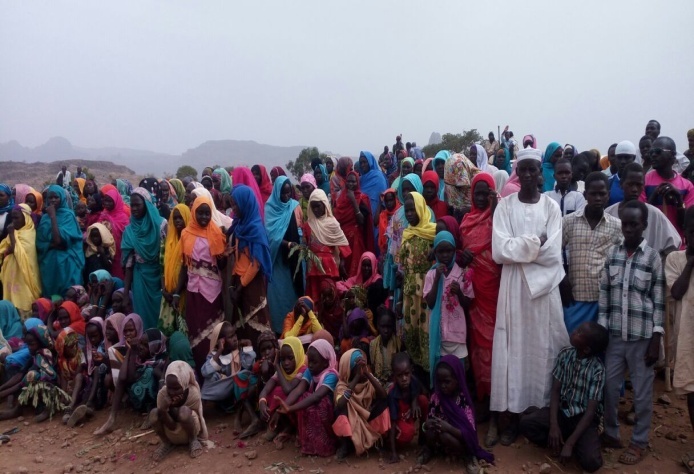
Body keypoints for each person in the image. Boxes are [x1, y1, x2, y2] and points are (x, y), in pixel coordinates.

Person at [490, 148, 569, 446]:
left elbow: (553, 252)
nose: (526, 174)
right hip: (513, 288)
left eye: (532, 169)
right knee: (514, 349)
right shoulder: (504, 207)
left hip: (544, 290)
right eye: (522, 169)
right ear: (516, 172)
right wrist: (536, 242)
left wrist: (522, 248)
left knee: (544, 348)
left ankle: (540, 415)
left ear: (540, 172)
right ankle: (512, 418)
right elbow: (500, 250)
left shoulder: (551, 208)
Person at [598, 200, 664, 465]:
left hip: (642, 338)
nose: (628, 229)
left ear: (644, 226)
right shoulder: (612, 254)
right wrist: (603, 328)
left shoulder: (652, 258)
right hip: (615, 336)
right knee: (609, 388)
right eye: (625, 224)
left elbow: (658, 300)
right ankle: (611, 433)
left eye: (634, 224)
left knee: (642, 393)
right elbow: (605, 294)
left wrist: (656, 337)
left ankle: (639, 442)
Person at [519, 322, 608, 473]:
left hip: (583, 419)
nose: (574, 332)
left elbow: (590, 412)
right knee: (526, 424)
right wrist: (554, 426)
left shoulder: (597, 370)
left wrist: (570, 444)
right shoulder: (565, 354)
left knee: (592, 462)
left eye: (579, 333)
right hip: (562, 413)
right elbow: (555, 391)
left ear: (586, 349)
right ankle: (559, 438)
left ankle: (570, 441)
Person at [561, 172, 622, 333]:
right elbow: (553, 250)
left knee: (599, 342)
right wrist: (562, 277)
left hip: (603, 298)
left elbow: (622, 259)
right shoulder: (569, 221)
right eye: (593, 194)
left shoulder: (616, 226)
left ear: (608, 195)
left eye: (602, 194)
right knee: (573, 340)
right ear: (585, 194)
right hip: (575, 296)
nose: (597, 198)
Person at [460, 173, 500, 408]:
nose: (482, 197)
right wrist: (463, 257)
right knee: (476, 344)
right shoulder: (467, 220)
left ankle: (497, 397)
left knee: (493, 343)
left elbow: (504, 242)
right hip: (473, 293)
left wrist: (495, 210)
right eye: (478, 193)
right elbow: (460, 254)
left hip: (494, 291)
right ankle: (482, 396)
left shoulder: (500, 217)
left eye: (487, 193)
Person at [420, 356, 494, 473]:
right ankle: (429, 450)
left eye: (447, 382)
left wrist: (448, 428)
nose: (443, 385)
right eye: (439, 382)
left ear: (457, 380)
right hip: (439, 439)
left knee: (446, 436)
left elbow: (469, 434)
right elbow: (427, 423)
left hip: (456, 441)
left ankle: (467, 457)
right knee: (430, 432)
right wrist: (426, 424)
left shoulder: (463, 401)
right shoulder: (436, 398)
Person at [178, 195, 226, 367]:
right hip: (193, 291)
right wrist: (177, 292)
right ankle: (198, 368)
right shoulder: (186, 234)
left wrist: (222, 253)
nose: (204, 217)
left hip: (211, 292)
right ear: (193, 212)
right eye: (200, 213)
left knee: (211, 331)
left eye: (207, 213)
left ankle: (212, 367)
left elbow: (222, 265)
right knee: (195, 328)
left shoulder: (216, 233)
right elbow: (184, 265)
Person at [665, 208, 694, 468]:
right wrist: (691, 262)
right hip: (688, 339)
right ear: (685, 233)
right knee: (692, 392)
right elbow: (676, 292)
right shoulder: (676, 259)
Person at [276, 338, 339, 457]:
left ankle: (324, 445)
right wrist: (284, 407)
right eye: (309, 361)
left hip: (329, 414)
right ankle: (305, 440)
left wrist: (291, 408)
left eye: (314, 362)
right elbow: (298, 390)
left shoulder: (331, 375)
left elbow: (317, 396)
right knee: (300, 398)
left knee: (317, 402)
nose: (310, 365)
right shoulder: (310, 371)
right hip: (314, 405)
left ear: (325, 363)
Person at [424, 231, 473, 379]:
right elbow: (430, 303)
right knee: (442, 373)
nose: (445, 255)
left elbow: (467, 304)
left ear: (454, 251)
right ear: (435, 253)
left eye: (449, 251)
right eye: (441, 251)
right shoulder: (431, 274)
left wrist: (459, 293)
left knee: (458, 372)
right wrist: (437, 279)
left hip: (457, 334)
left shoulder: (462, 274)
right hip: (439, 334)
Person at [227, 185, 273, 345]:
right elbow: (238, 259)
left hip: (251, 284)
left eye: (236, 204)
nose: (234, 208)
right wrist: (232, 283)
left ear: (245, 204)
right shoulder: (238, 226)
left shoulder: (256, 230)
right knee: (241, 325)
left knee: (255, 323)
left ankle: (260, 355)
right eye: (232, 204)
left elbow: (255, 264)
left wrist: (239, 287)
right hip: (238, 281)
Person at [398, 192, 436, 375]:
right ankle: (415, 370)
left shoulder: (433, 233)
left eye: (413, 210)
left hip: (427, 292)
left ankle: (429, 370)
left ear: (421, 208)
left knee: (426, 328)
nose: (409, 214)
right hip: (410, 292)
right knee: (411, 327)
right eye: (407, 211)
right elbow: (403, 267)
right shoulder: (407, 234)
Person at [605, 163, 681, 254]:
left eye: (638, 185)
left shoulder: (654, 214)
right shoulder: (609, 213)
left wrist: (657, 259)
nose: (634, 189)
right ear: (621, 184)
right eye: (630, 184)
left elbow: (674, 243)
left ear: (643, 185)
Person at [121, 188, 166, 330]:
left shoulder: (161, 225)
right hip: (140, 278)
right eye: (132, 205)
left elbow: (167, 257)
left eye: (137, 205)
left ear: (146, 204)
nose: (134, 208)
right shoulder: (129, 230)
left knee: (161, 315)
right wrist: (126, 294)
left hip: (160, 278)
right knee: (142, 317)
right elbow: (129, 265)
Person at [332, 348, 390, 459]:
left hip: (367, 418)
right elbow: (340, 404)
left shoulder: (369, 380)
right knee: (341, 409)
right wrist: (357, 377)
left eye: (364, 366)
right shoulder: (342, 386)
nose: (362, 370)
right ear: (349, 370)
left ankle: (379, 441)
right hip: (353, 421)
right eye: (358, 368)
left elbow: (383, 395)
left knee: (383, 403)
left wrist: (367, 374)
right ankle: (346, 445)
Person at [265, 176, 303, 334]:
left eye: (289, 193)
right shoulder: (270, 208)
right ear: (277, 192)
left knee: (294, 295)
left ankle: (297, 329)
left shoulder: (294, 206)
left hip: (293, 261)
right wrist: (287, 244)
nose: (287, 196)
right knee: (278, 297)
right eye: (283, 193)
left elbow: (301, 227)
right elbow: (270, 237)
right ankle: (279, 331)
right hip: (278, 261)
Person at [150, 361, 208, 461]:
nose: (172, 392)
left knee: (184, 411)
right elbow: (171, 426)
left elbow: (196, 419)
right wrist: (163, 410)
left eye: (176, 389)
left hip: (190, 431)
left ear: (184, 383)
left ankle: (193, 441)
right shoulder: (163, 394)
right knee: (154, 413)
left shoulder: (193, 394)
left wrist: (175, 408)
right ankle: (166, 443)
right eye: (169, 388)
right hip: (171, 432)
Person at [36, 185, 85, 298]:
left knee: (68, 297)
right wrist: (51, 245)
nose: (53, 200)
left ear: (62, 198)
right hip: (49, 265)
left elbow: (58, 241)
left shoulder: (68, 216)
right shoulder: (44, 218)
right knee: (51, 299)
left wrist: (53, 216)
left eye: (56, 197)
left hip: (67, 264)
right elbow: (39, 242)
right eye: (50, 197)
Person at [258, 336, 306, 447]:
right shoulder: (281, 371)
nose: (286, 363)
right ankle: (283, 426)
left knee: (287, 394)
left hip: (295, 406)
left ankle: (296, 430)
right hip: (285, 408)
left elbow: (288, 390)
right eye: (282, 359)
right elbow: (266, 390)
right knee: (273, 392)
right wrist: (261, 402)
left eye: (290, 358)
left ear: (298, 355)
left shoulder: (303, 369)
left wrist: (276, 366)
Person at [642, 136, 694, 240]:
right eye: (651, 152)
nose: (653, 155)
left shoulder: (687, 186)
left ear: (673, 156)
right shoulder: (644, 181)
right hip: (650, 243)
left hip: (677, 244)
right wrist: (654, 195)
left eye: (658, 151)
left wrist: (679, 199)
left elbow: (687, 223)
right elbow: (641, 217)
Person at [303, 189, 350, 301]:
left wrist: (342, 263)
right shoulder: (308, 225)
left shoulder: (332, 223)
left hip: (329, 267)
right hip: (313, 266)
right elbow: (305, 245)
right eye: (313, 207)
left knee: (329, 294)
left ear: (324, 204)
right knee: (314, 296)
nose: (316, 209)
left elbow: (343, 245)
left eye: (318, 206)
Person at [0, 204, 41, 318]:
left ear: (25, 217)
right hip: (11, 274)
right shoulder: (15, 232)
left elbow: (17, 252)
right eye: (12, 218)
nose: (13, 221)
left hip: (24, 276)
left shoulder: (29, 234)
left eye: (17, 218)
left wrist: (11, 235)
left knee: (24, 303)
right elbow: (5, 249)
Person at [386, 352, 427, 464]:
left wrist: (414, 401)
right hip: (399, 419)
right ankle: (392, 445)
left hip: (409, 413)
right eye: (400, 376)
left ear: (411, 371)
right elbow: (392, 423)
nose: (404, 378)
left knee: (423, 400)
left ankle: (423, 436)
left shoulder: (413, 380)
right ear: (394, 376)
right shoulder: (393, 394)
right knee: (408, 432)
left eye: (407, 374)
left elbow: (422, 391)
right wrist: (393, 453)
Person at [333, 171, 375, 276]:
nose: (350, 184)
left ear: (358, 183)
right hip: (342, 240)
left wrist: (353, 200)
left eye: (353, 181)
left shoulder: (362, 198)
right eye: (348, 181)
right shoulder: (340, 199)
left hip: (355, 240)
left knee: (355, 273)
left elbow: (362, 221)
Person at [159, 204, 191, 337]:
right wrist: (164, 290)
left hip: (183, 293)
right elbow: (162, 267)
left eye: (181, 217)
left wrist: (177, 292)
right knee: (167, 334)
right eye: (175, 218)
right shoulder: (167, 242)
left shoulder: (190, 241)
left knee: (183, 329)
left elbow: (188, 268)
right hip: (167, 295)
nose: (178, 221)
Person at [98, 185, 130, 278]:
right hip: (105, 252)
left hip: (119, 252)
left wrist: (111, 223)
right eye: (105, 200)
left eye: (110, 201)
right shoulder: (103, 214)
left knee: (117, 275)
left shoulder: (123, 218)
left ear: (116, 202)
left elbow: (126, 236)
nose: (106, 203)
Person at [444, 153, 479, 219]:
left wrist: (470, 209)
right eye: (457, 187)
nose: (462, 188)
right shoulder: (449, 185)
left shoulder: (479, 181)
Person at [607, 140, 637, 206]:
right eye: (619, 158)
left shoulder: (643, 182)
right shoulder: (609, 182)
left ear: (634, 158)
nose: (623, 161)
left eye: (627, 157)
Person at [377, 188, 399, 256]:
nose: (389, 203)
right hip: (386, 250)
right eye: (386, 201)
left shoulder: (400, 213)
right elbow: (375, 222)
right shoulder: (383, 215)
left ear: (395, 199)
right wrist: (380, 203)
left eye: (391, 200)